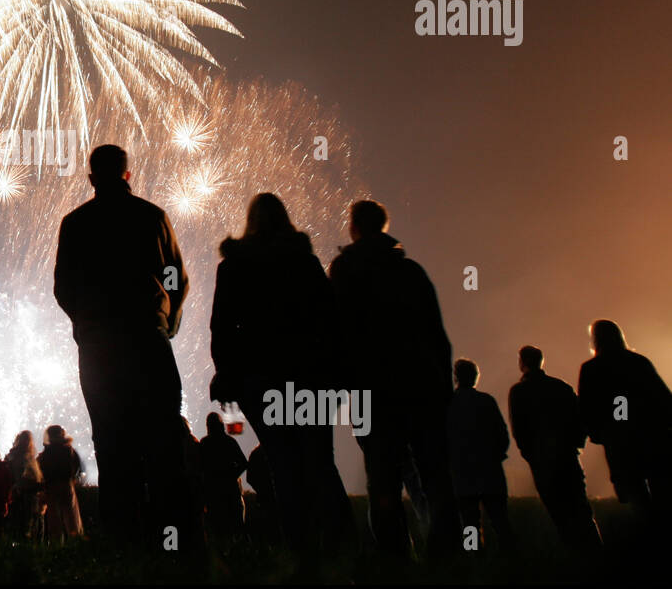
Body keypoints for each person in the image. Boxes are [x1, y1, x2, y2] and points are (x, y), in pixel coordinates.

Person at [54, 144, 192, 545]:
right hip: (147, 337)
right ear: (127, 175)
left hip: (99, 346)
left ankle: (122, 535)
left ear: (92, 178)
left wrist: (86, 322)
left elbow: (64, 287)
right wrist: (165, 317)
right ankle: (172, 535)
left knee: (111, 439)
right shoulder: (152, 217)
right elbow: (174, 275)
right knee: (163, 436)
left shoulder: (75, 223)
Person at [210, 193, 353, 563]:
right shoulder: (304, 263)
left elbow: (221, 328)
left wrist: (226, 373)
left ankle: (300, 551)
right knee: (320, 462)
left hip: (258, 379)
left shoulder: (233, 267)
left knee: (283, 465)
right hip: (310, 376)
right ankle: (343, 548)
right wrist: (337, 372)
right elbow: (330, 321)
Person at [328, 199, 459, 559]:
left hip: (370, 390)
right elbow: (437, 336)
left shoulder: (344, 271)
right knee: (434, 475)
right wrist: (443, 389)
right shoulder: (411, 272)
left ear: (354, 227)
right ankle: (447, 554)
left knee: (382, 479)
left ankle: (395, 557)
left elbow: (335, 332)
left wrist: (340, 385)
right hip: (420, 387)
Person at [508, 345, 602, 550]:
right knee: (581, 508)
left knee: (558, 511)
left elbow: (519, 429)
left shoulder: (519, 392)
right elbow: (580, 418)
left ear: (522, 363)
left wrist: (529, 454)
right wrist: (576, 445)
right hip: (567, 456)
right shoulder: (561, 387)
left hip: (541, 460)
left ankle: (575, 553)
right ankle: (596, 550)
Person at [578, 320, 672, 521]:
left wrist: (598, 433)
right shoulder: (639, 362)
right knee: (663, 495)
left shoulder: (591, 369)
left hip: (619, 444)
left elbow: (587, 408)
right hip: (652, 439)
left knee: (638, 499)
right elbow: (663, 398)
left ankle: (651, 534)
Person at [447, 359, 514, 552]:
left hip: (461, 472)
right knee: (500, 519)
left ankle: (473, 553)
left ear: (456, 377)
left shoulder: (448, 404)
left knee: (469, 521)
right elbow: (502, 435)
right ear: (475, 377)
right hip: (489, 469)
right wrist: (496, 455)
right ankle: (509, 554)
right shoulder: (486, 401)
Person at [200, 412, 247, 548]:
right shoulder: (229, 441)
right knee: (235, 531)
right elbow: (243, 463)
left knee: (219, 533)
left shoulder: (205, 443)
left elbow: (200, 468)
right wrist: (231, 476)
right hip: (229, 492)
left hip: (213, 494)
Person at [39, 425, 84, 540]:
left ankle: (56, 543)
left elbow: (42, 469)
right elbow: (76, 467)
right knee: (72, 517)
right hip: (67, 485)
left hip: (51, 487)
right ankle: (76, 541)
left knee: (54, 520)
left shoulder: (47, 452)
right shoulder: (69, 450)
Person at [5, 430, 45, 539]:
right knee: (31, 525)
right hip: (28, 496)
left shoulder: (12, 456)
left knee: (20, 525)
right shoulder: (28, 458)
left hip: (18, 495)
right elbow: (32, 478)